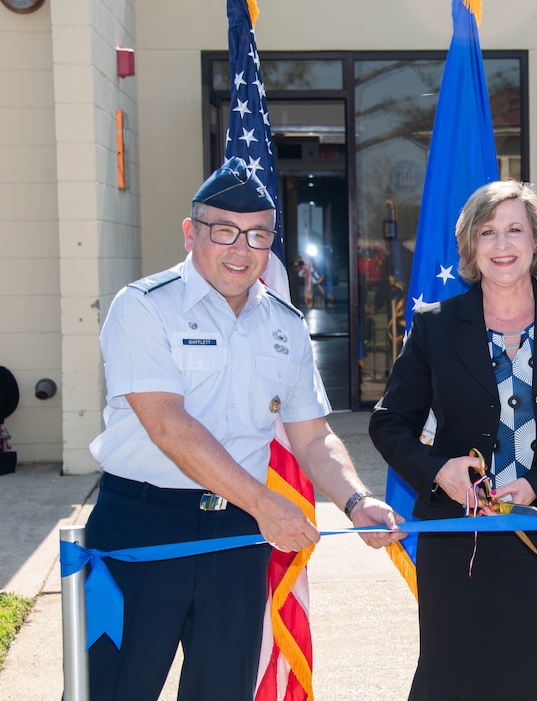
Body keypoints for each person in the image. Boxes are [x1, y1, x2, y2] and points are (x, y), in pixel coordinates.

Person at [85, 157, 404, 701]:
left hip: (237, 534)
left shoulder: (285, 325)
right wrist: (265, 504)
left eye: (258, 235)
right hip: (143, 525)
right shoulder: (143, 308)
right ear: (191, 233)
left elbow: (311, 437)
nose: (241, 249)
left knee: (224, 690)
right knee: (117, 689)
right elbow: (168, 425)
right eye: (224, 231)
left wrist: (356, 501)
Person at [370, 181, 537, 700]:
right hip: (461, 540)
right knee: (459, 675)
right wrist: (438, 469)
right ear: (471, 245)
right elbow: (390, 422)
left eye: (514, 230)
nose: (501, 244)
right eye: (487, 231)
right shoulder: (434, 327)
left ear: (536, 241)